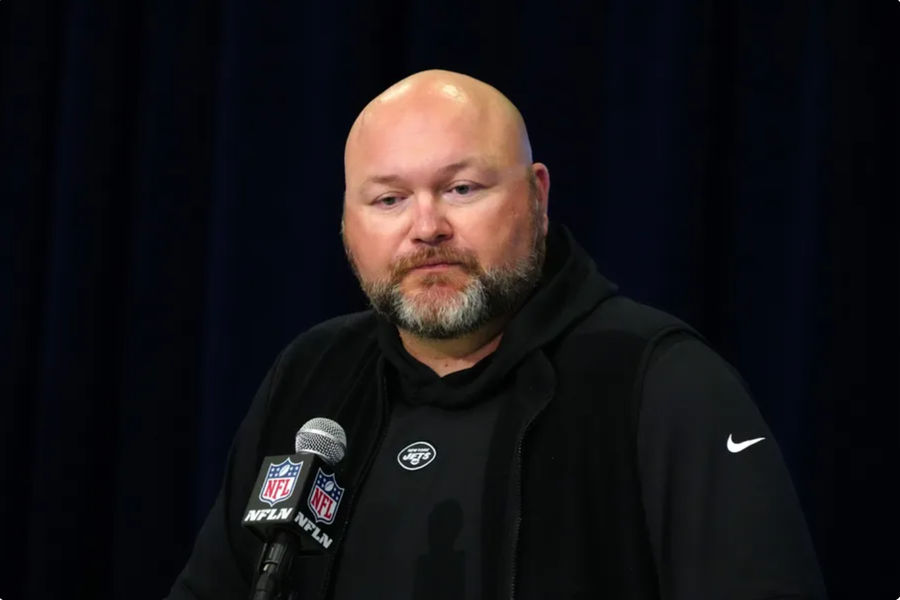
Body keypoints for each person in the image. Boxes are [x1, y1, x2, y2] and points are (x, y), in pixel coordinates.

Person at [167, 70, 827, 599]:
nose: (426, 227)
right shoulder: (313, 376)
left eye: (461, 187)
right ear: (346, 221)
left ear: (537, 196)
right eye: (388, 199)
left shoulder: (660, 380)